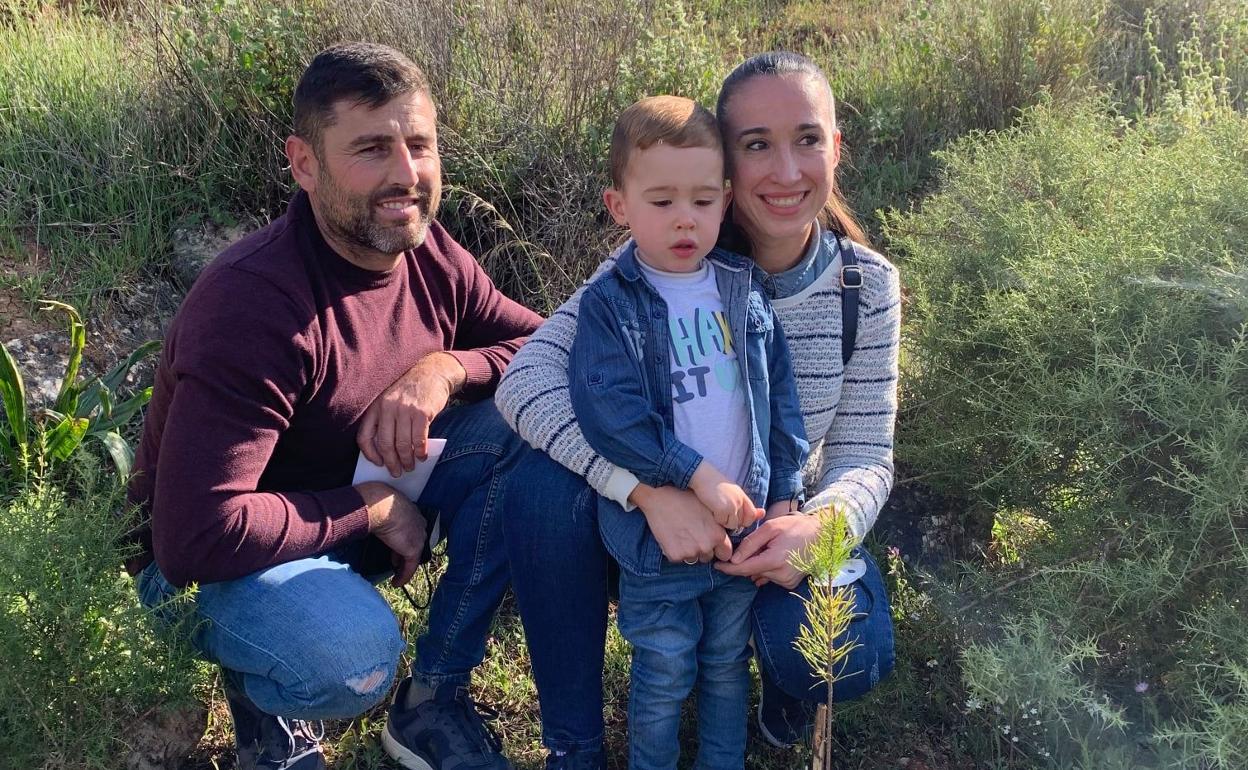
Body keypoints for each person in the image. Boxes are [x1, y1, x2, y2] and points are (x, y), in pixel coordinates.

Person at [127, 43, 542, 770]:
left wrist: (445, 368)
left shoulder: (431, 256)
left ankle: (434, 701)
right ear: (304, 163)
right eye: (372, 149)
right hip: (206, 564)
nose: (406, 175)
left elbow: (546, 351)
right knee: (352, 656)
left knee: (528, 427)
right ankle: (269, 703)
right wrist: (374, 507)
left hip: (328, 531)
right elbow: (193, 537)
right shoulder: (256, 305)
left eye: (419, 145)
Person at [494, 51, 900, 768]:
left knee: (847, 654)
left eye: (807, 139)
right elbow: (525, 383)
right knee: (539, 487)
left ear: (836, 149)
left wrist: (816, 526)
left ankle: (783, 684)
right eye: (756, 146)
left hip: (774, 518)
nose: (784, 170)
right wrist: (651, 491)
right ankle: (575, 745)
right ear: (725, 163)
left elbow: (866, 452)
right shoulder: (664, 263)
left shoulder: (865, 287)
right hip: (661, 523)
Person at [567, 95, 809, 769]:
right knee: (666, 666)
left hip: (743, 525)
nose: (685, 220)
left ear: (726, 201)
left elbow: (780, 400)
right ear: (620, 206)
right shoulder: (611, 303)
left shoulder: (741, 288)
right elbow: (607, 411)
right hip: (658, 543)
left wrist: (785, 496)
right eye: (662, 201)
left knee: (728, 664)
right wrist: (694, 474)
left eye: (703, 202)